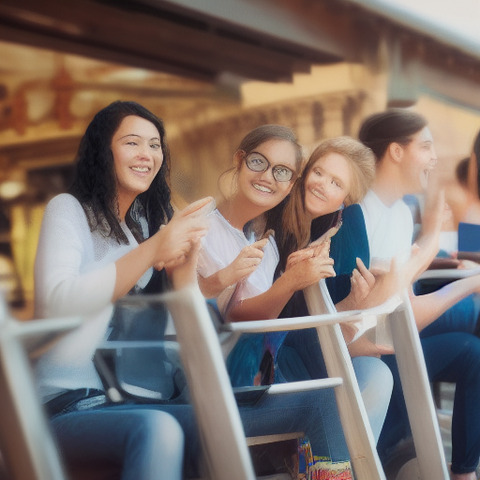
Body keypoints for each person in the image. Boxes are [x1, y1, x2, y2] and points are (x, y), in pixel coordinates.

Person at [34, 104, 361, 479]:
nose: (146, 154)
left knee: (321, 403)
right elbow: (56, 305)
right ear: (102, 149)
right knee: (160, 429)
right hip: (71, 404)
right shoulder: (70, 211)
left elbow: (186, 317)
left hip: (152, 397)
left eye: (154, 145)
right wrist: (158, 250)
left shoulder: (148, 223)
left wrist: (202, 274)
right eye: (131, 142)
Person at [197, 130, 394, 457]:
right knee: (343, 389)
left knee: (376, 374)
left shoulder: (286, 238)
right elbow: (243, 319)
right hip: (249, 366)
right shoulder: (268, 224)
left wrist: (352, 307)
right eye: (318, 173)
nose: (321, 185)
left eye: (336, 184)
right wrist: (294, 281)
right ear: (302, 176)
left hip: (276, 352)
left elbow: (294, 322)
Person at [329, 109, 480, 479]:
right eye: (425, 147)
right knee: (472, 322)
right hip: (372, 349)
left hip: (394, 337)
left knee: (473, 349)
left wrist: (445, 261)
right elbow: (390, 319)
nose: (434, 158)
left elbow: (402, 294)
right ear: (396, 151)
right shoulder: (357, 214)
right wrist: (464, 275)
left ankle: (463, 471)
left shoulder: (398, 212)